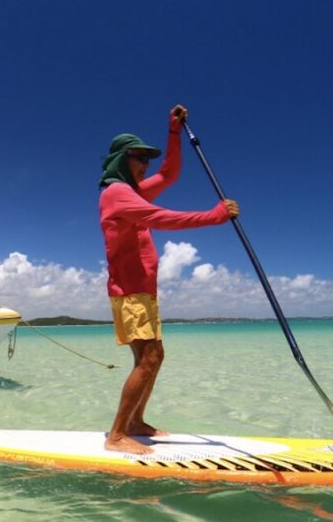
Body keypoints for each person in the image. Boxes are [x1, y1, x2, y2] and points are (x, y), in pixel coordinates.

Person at [98, 105, 239, 455]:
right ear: (121, 159)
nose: (145, 165)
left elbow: (170, 174)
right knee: (150, 357)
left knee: (152, 358)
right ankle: (117, 435)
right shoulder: (116, 192)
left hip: (142, 291)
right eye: (138, 158)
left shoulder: (132, 191)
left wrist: (173, 132)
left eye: (147, 159)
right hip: (130, 292)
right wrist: (212, 217)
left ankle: (134, 422)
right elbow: (159, 218)